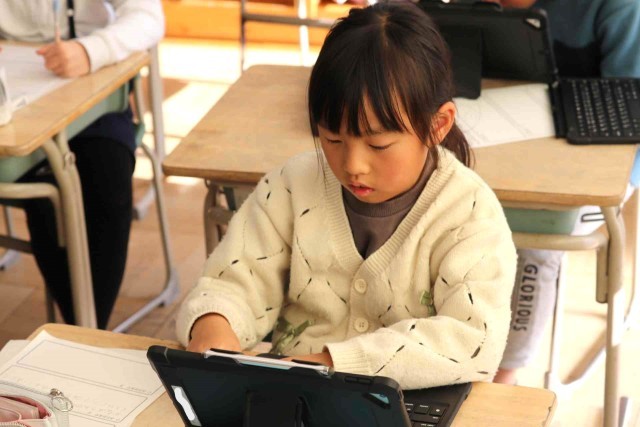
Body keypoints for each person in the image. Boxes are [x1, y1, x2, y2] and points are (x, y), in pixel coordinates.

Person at [177, 2, 517, 389]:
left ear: (437, 125)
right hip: (291, 393)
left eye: (378, 145)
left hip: (407, 402)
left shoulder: (470, 214)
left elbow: (472, 340)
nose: (352, 165)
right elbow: (233, 282)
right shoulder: (291, 186)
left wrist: (326, 364)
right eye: (332, 139)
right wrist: (214, 324)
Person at [493, 0, 640, 384]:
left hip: (600, 163)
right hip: (505, 139)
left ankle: (503, 380)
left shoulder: (621, 8)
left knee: (537, 235)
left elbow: (631, 113)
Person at [0, 0, 165, 329]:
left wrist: (91, 51)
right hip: (15, 105)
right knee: (47, 192)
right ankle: (81, 329)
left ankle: (87, 329)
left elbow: (148, 16)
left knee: (105, 178)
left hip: (94, 94)